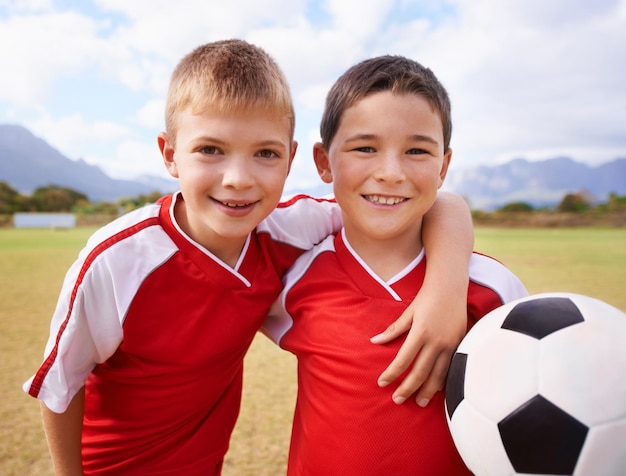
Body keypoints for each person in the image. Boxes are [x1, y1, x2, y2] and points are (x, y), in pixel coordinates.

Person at [23, 41, 473, 475]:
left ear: (291, 158)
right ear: (169, 154)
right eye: (210, 150)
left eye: (265, 154)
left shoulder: (287, 229)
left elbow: (432, 203)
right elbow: (61, 386)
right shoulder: (117, 261)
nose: (238, 179)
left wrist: (445, 293)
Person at [262, 55, 529, 475]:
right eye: (365, 147)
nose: (390, 172)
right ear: (323, 162)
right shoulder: (289, 281)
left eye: (417, 150)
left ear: (443, 166)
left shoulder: (493, 290)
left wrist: (446, 288)